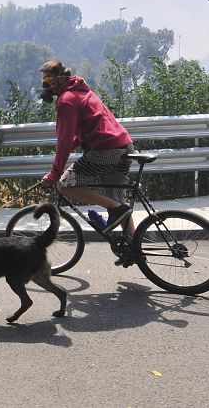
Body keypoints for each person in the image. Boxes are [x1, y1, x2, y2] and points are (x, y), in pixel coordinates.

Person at [37, 60, 136, 264]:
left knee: (65, 185)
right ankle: (133, 249)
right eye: (43, 79)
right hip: (123, 146)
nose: (45, 84)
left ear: (60, 78)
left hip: (106, 150)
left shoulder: (66, 100)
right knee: (117, 205)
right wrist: (78, 140)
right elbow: (96, 121)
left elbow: (62, 141)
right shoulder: (81, 90)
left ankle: (118, 209)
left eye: (48, 79)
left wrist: (55, 174)